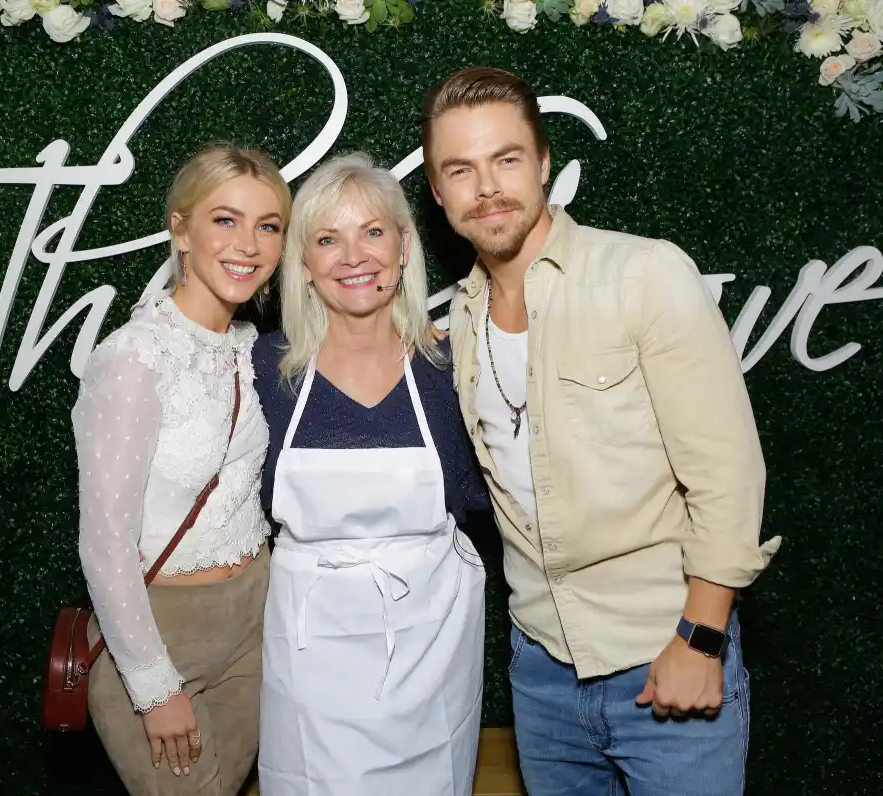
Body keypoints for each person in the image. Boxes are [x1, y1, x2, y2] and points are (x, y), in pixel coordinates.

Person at [419, 67, 782, 796]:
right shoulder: (459, 315)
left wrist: (700, 639)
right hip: (541, 677)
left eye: (507, 160)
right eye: (460, 169)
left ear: (545, 162)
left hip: (665, 660)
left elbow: (728, 472)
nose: (486, 187)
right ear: (435, 190)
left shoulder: (644, 275)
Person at [252, 152, 488, 796]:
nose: (353, 256)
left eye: (373, 232)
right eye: (328, 238)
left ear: (405, 245)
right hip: (311, 656)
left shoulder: (451, 366)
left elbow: (492, 496)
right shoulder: (263, 371)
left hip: (432, 647)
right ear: (303, 262)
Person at [72, 144, 290, 796]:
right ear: (180, 227)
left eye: (269, 225)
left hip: (254, 621)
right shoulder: (133, 358)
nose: (247, 243)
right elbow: (105, 541)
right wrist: (151, 683)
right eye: (225, 219)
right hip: (162, 631)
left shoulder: (254, 349)